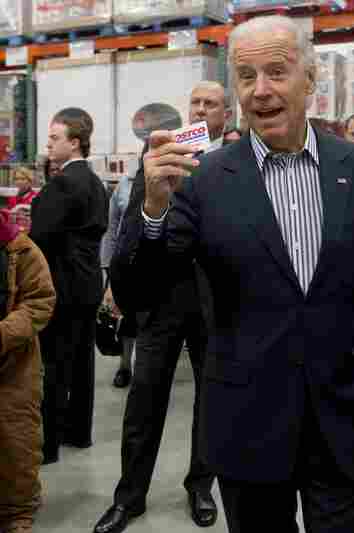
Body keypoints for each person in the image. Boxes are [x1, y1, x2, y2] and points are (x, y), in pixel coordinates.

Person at [114, 15, 354, 533]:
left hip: (342, 423)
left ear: (310, 79)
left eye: (276, 72)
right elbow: (139, 290)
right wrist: (153, 209)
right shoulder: (202, 179)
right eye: (246, 76)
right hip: (246, 425)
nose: (261, 91)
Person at [94, 81, 230, 533]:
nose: (201, 109)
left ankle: (200, 487)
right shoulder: (161, 155)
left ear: (225, 115)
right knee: (143, 403)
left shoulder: (235, 164)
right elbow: (134, 222)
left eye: (211, 104)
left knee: (211, 404)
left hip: (214, 302)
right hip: (160, 299)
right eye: (195, 102)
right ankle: (129, 497)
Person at [30, 107, 109, 465]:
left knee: (53, 363)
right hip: (89, 282)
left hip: (62, 283)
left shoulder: (63, 183)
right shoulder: (94, 182)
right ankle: (79, 431)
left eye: (54, 138)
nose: (49, 144)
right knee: (81, 364)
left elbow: (40, 234)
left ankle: (48, 445)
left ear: (74, 143)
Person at [0, 212, 56, 533]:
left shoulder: (21, 250)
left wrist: (3, 334)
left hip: (14, 369)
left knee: (16, 443)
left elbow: (40, 301)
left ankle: (17, 514)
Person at [100, 150, 141, 389]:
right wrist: (107, 265)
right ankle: (125, 366)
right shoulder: (125, 184)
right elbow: (112, 226)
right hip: (125, 264)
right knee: (126, 319)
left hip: (159, 264)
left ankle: (148, 369)